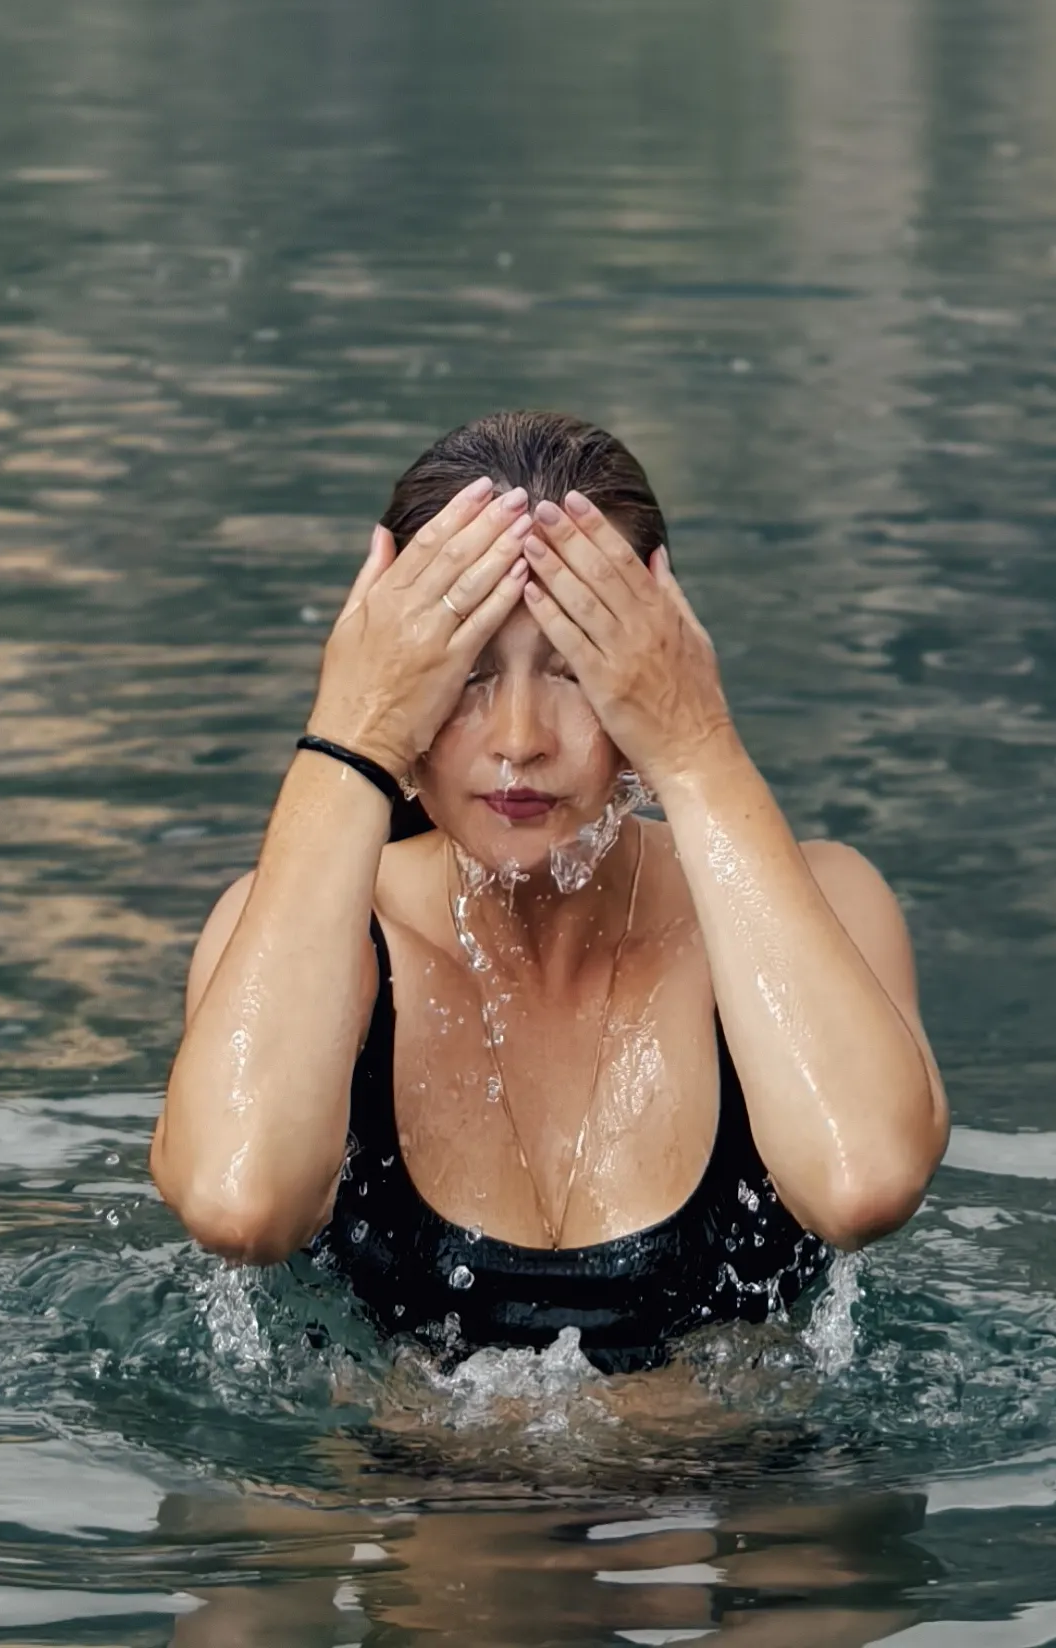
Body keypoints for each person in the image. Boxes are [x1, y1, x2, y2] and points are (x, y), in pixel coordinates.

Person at [150, 407, 947, 1371]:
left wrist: (697, 749)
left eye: (574, 670)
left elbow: (862, 1183)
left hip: (746, 1508)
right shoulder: (317, 939)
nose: (520, 736)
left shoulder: (825, 902)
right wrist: (350, 737)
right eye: (465, 674)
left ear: (652, 678)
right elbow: (240, 1206)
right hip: (396, 1510)